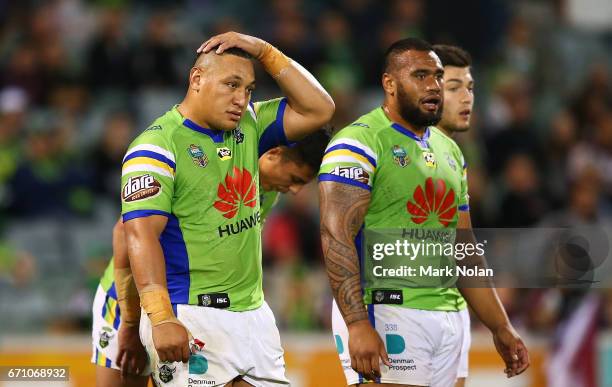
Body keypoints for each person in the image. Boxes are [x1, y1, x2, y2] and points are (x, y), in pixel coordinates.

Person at [119, 31, 334, 387]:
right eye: (231, 84)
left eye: (248, 89)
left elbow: (320, 109)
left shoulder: (250, 124)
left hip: (253, 316)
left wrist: (265, 51)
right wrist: (160, 317)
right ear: (197, 79)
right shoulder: (156, 147)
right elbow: (139, 235)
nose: (241, 99)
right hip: (191, 313)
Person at [318, 38, 529, 387]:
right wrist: (357, 324)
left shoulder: (450, 151)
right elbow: (335, 234)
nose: (433, 86)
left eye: (437, 76)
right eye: (420, 76)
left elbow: (464, 248)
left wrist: (501, 326)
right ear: (389, 84)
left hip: (447, 315)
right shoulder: (358, 143)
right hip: (387, 308)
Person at [92, 131, 331, 387]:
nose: (294, 190)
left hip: (191, 306)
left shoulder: (268, 188)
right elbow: (125, 232)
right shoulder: (215, 170)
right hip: (133, 297)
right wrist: (130, 320)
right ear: (273, 154)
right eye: (295, 179)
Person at [432, 44, 474, 387]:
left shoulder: (455, 155)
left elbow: (464, 246)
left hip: (451, 305)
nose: (467, 98)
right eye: (454, 87)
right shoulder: (396, 146)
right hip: (394, 307)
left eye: (470, 87)